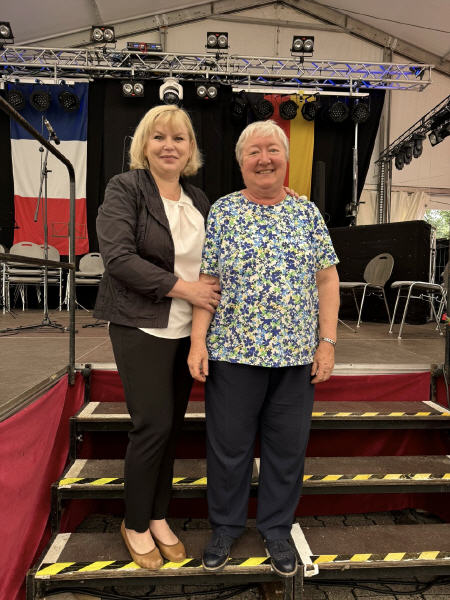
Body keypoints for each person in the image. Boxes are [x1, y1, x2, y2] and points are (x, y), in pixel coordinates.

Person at [188, 120, 340, 577]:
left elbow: (327, 279)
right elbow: (208, 281)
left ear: (286, 158)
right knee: (228, 449)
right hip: (233, 353)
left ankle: (276, 529)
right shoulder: (223, 211)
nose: (264, 159)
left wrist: (327, 343)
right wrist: (198, 341)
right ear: (240, 162)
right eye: (253, 151)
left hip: (296, 357)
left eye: (272, 149)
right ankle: (226, 527)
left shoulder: (307, 213)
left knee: (287, 449)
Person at [94, 105, 221, 569]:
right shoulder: (125, 188)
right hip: (140, 323)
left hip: (188, 329)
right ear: (143, 145)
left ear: (191, 149)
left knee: (170, 429)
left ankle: (158, 515)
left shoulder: (199, 199)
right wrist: (186, 289)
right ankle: (134, 523)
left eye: (179, 138)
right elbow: (118, 258)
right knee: (152, 426)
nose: (169, 146)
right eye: (159, 137)